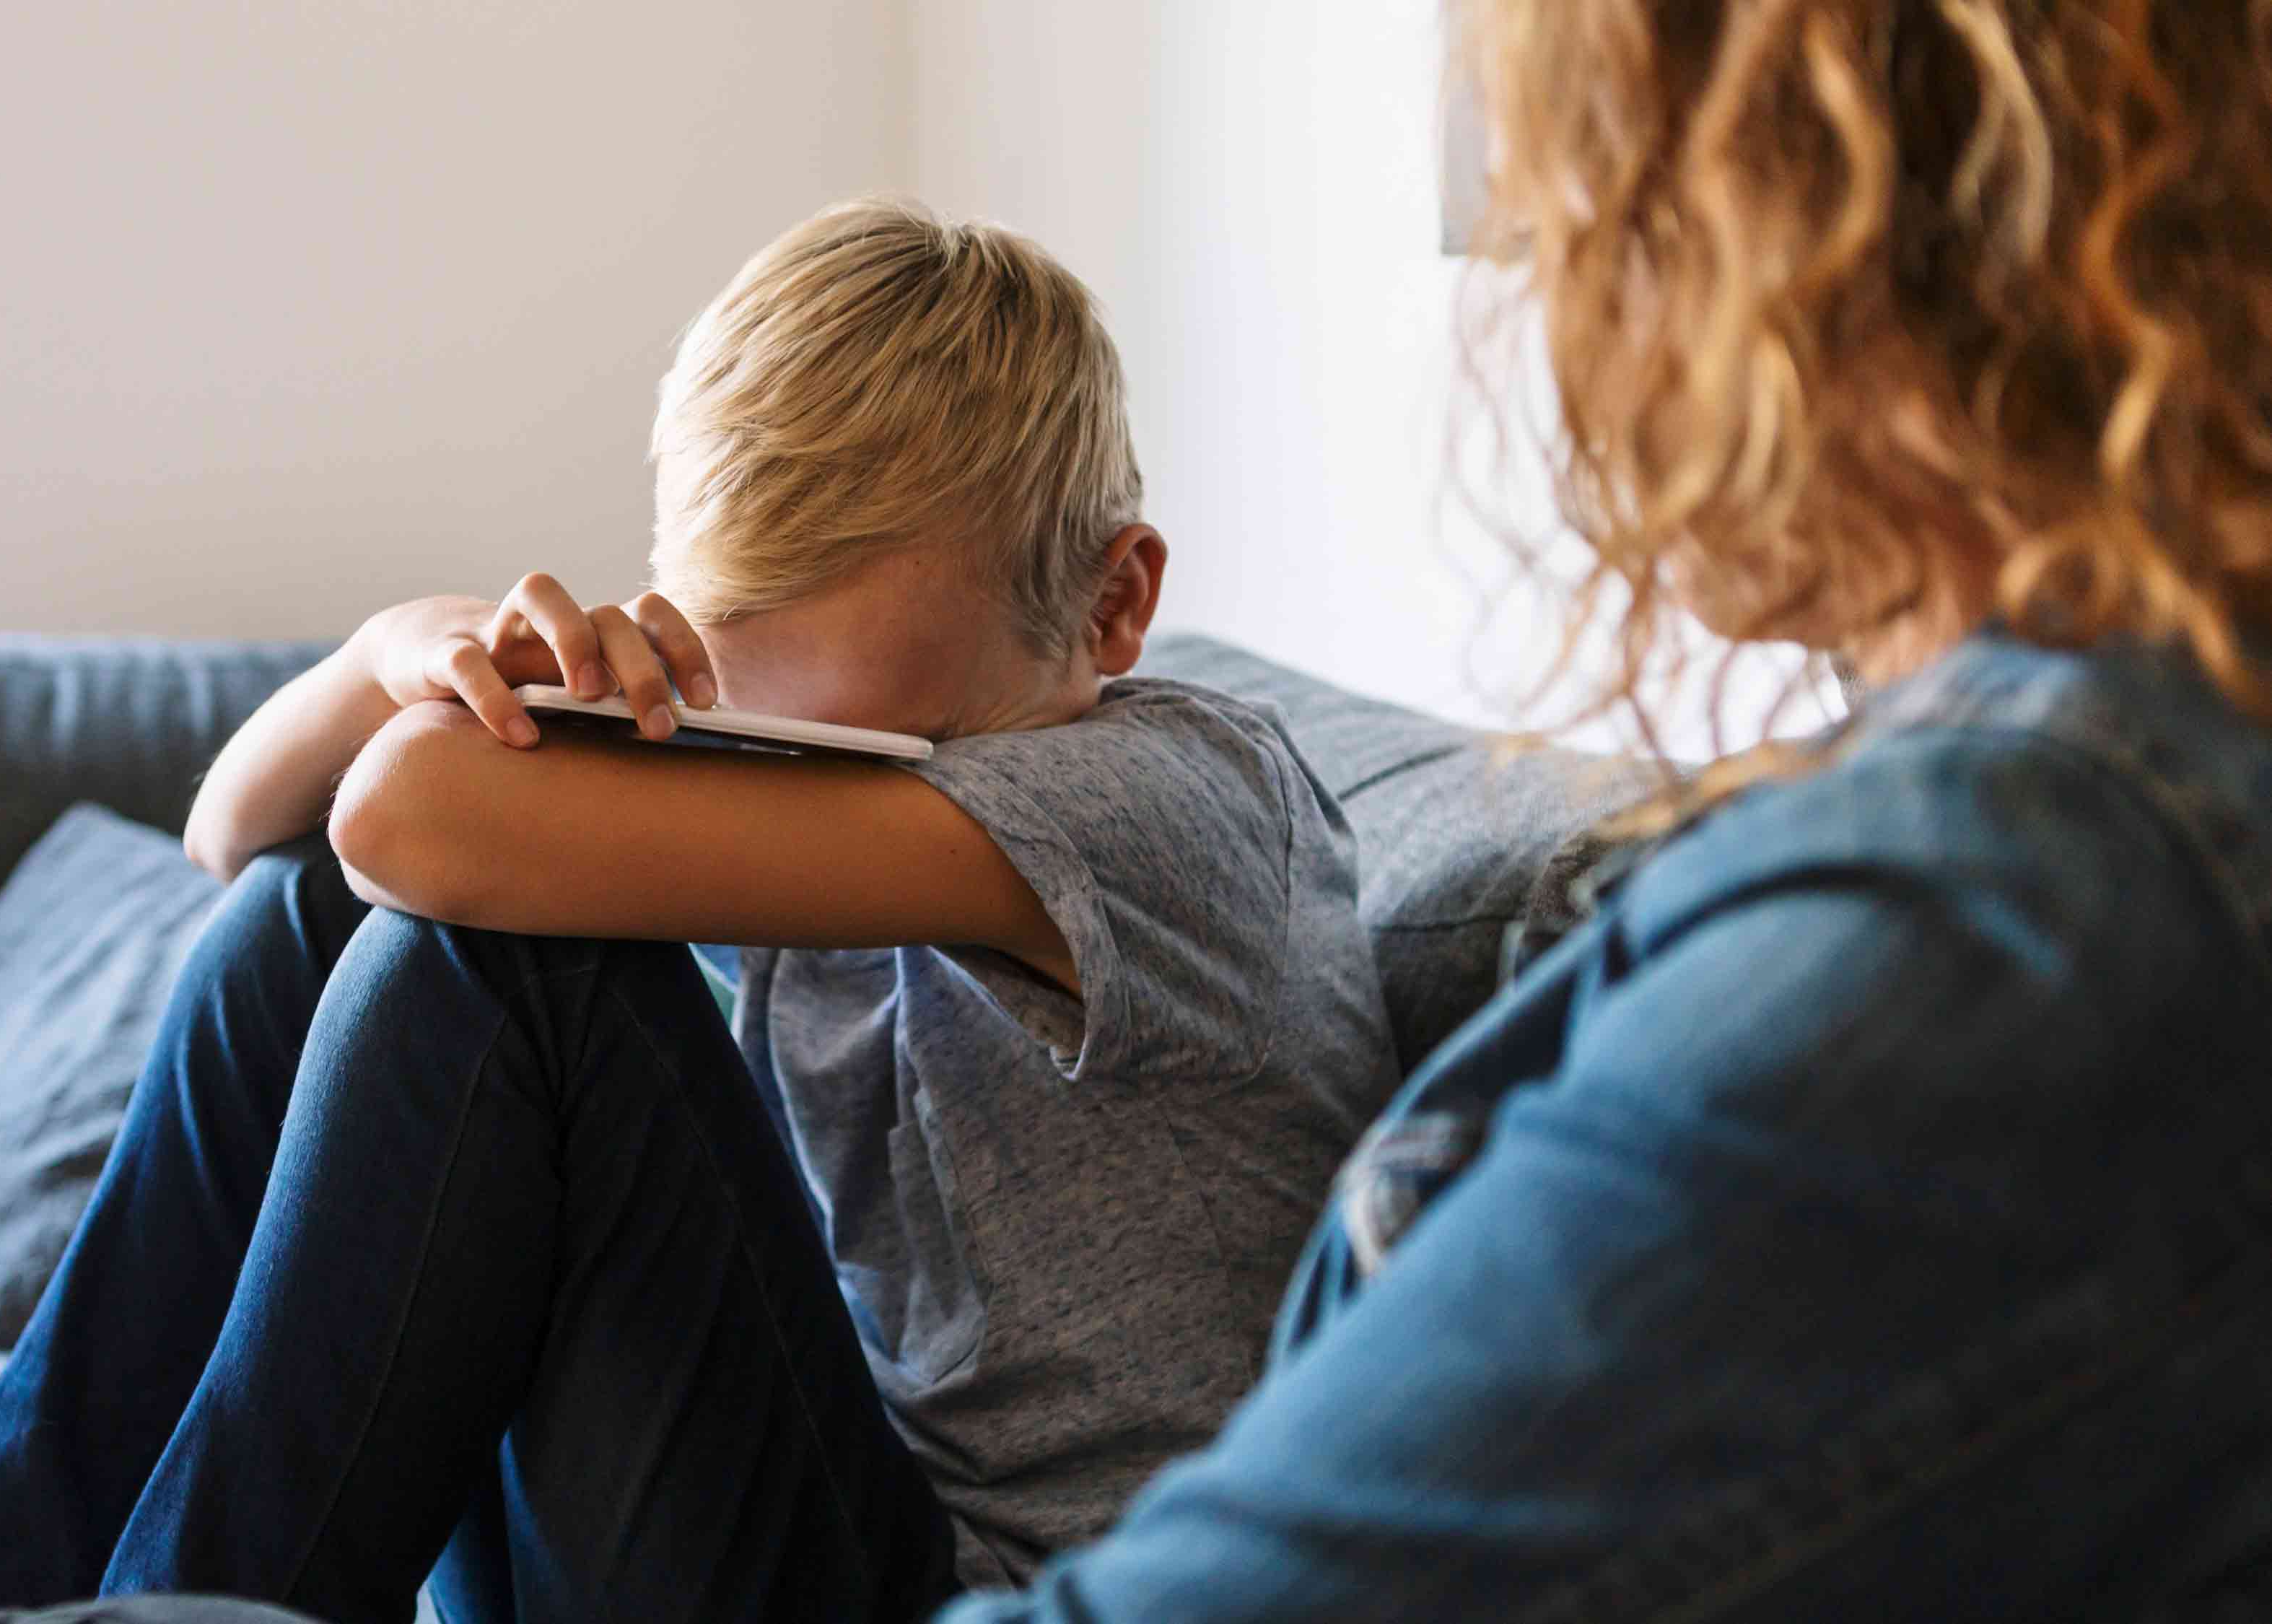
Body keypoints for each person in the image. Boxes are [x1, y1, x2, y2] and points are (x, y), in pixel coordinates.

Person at [0, 198, 1399, 1624]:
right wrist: (397, 648)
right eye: (747, 738)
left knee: (496, 964)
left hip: (975, 1587)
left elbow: (405, 817)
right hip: (759, 1509)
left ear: (1110, 604)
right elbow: (234, 836)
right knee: (302, 922)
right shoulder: (855, 736)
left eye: (828, 759)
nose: (760, 779)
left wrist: (497, 741)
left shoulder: (1169, 800)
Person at [935, 1, 2272, 1618]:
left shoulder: (2007, 915)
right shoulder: (2083, 807)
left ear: (1792, 212)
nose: (1541, 296)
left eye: (1567, 197)